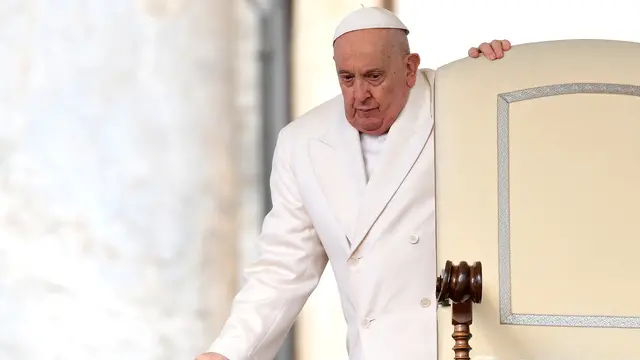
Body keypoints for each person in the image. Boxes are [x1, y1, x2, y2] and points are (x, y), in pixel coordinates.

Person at [197, 6, 511, 360]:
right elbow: (283, 268)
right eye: (346, 78)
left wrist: (505, 74)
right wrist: (228, 352)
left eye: (373, 77)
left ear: (409, 69)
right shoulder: (302, 143)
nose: (358, 95)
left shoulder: (463, 101)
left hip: (463, 349)